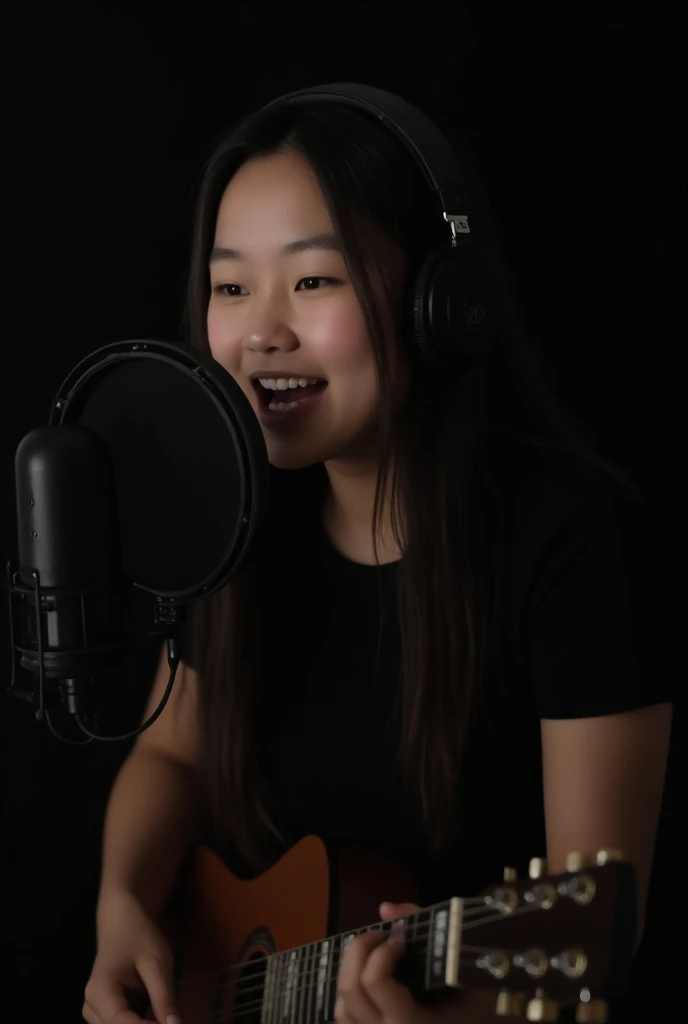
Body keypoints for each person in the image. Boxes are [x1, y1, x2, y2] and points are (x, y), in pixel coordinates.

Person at [82, 85, 674, 1024]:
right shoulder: (238, 524)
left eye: (313, 281)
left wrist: (458, 1012)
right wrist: (122, 907)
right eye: (231, 287)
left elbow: (596, 930)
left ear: (443, 302)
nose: (262, 330)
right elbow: (172, 755)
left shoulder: (575, 541)